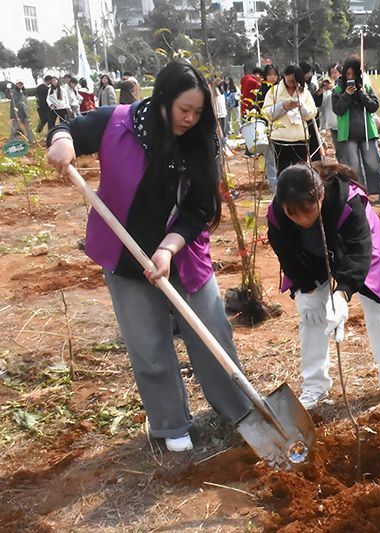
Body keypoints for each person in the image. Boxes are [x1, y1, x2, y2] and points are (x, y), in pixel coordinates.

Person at [44, 60, 253, 453]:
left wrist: (168, 248)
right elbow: (66, 127)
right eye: (184, 109)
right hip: (125, 256)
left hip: (183, 253)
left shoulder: (200, 141)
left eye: (198, 112)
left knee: (212, 333)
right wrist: (61, 140)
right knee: (149, 345)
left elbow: (200, 208)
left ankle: (240, 411)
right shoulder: (117, 123)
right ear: (162, 99)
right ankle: (171, 424)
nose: (190, 119)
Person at [266, 161, 380, 409]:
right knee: (311, 316)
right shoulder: (277, 215)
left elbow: (360, 251)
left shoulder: (349, 201)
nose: (302, 220)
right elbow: (288, 256)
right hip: (310, 256)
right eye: (294, 215)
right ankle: (314, 385)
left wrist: (341, 294)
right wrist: (308, 290)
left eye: (308, 211)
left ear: (321, 196)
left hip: (360, 250)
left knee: (379, 309)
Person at [332, 57, 380, 204]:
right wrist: (346, 95)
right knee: (354, 166)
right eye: (348, 74)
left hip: (367, 132)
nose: (351, 77)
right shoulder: (338, 89)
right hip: (348, 133)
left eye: (354, 74)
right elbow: (337, 109)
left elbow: (374, 106)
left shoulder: (365, 87)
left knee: (373, 163)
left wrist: (362, 95)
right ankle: (360, 195)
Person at [263, 64, 317, 173]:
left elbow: (312, 113)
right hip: (281, 140)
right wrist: (282, 106)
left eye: (295, 81)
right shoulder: (274, 91)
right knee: (283, 172)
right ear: (284, 76)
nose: (293, 84)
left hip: (300, 139)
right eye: (290, 80)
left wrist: (301, 107)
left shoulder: (304, 92)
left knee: (301, 173)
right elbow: (267, 113)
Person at [319, 63, 342, 161]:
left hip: (342, 122)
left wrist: (333, 88)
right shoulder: (328, 87)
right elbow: (323, 105)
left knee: (345, 147)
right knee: (338, 148)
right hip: (332, 123)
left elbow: (342, 96)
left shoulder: (341, 85)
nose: (333, 75)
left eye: (335, 72)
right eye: (331, 73)